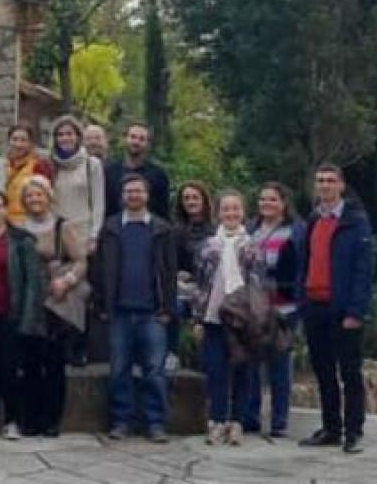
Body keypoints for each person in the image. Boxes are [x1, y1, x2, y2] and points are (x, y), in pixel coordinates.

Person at [295, 163, 373, 455]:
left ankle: (353, 431)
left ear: (341, 185)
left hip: (343, 309)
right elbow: (305, 262)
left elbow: (363, 270)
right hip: (315, 307)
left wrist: (356, 311)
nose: (325, 185)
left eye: (330, 180)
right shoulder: (314, 220)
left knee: (350, 372)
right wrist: (302, 301)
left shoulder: (356, 222)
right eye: (320, 181)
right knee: (323, 371)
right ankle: (331, 428)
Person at [95, 175, 178, 443]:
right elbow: (99, 270)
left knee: (154, 371)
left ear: (147, 195)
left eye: (138, 191)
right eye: (128, 191)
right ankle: (121, 421)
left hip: (152, 312)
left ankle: (156, 423)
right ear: (122, 196)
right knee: (119, 369)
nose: (133, 195)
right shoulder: (110, 228)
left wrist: (168, 307)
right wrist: (101, 305)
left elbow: (170, 272)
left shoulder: (162, 229)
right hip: (119, 312)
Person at [0, 190, 44, 441]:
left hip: (9, 313)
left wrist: (27, 317)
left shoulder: (21, 240)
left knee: (9, 368)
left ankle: (13, 420)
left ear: (5, 209)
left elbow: (33, 281)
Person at [17, 176, 87, 437]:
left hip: (55, 302)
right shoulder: (19, 228)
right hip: (28, 302)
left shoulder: (62, 227)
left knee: (54, 363)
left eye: (39, 195)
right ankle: (30, 419)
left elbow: (80, 261)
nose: (34, 200)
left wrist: (67, 281)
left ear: (48, 197)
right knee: (30, 362)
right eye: (30, 196)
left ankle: (52, 420)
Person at [192, 190, 262, 446]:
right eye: (226, 209)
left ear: (243, 212)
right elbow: (201, 286)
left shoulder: (252, 246)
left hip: (242, 321)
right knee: (216, 370)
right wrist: (197, 318)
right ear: (218, 213)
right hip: (213, 317)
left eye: (235, 209)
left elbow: (258, 284)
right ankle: (217, 421)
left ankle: (237, 422)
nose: (231, 214)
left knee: (243, 372)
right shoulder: (208, 247)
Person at [245, 182, 299, 438]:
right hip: (254, 308)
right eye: (263, 199)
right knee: (252, 365)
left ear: (283, 203)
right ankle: (251, 417)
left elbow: (299, 268)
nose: (266, 204)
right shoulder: (250, 230)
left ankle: (279, 420)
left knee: (280, 365)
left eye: (272, 199)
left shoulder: (295, 231)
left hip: (283, 308)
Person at [172, 181, 217, 364]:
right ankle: (173, 354)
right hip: (184, 288)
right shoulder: (175, 231)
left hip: (211, 289)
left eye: (195, 197)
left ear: (204, 200)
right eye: (186, 198)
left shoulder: (216, 230)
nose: (191, 202)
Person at [49, 116, 104, 246]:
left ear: (78, 137)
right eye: (60, 135)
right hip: (57, 234)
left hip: (83, 234)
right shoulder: (51, 164)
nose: (65, 138)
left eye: (69, 134)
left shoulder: (91, 164)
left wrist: (94, 235)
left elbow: (98, 202)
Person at [104, 122, 172, 222]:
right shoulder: (109, 172)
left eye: (142, 139)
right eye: (133, 137)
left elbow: (163, 211)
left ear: (148, 144)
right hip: (114, 229)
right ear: (125, 139)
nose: (136, 142)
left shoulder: (158, 174)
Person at [3, 124, 54, 225]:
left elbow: (46, 198)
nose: (18, 144)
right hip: (6, 222)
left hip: (29, 223)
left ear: (31, 143)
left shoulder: (39, 165)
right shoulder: (3, 165)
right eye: (14, 139)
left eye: (23, 140)